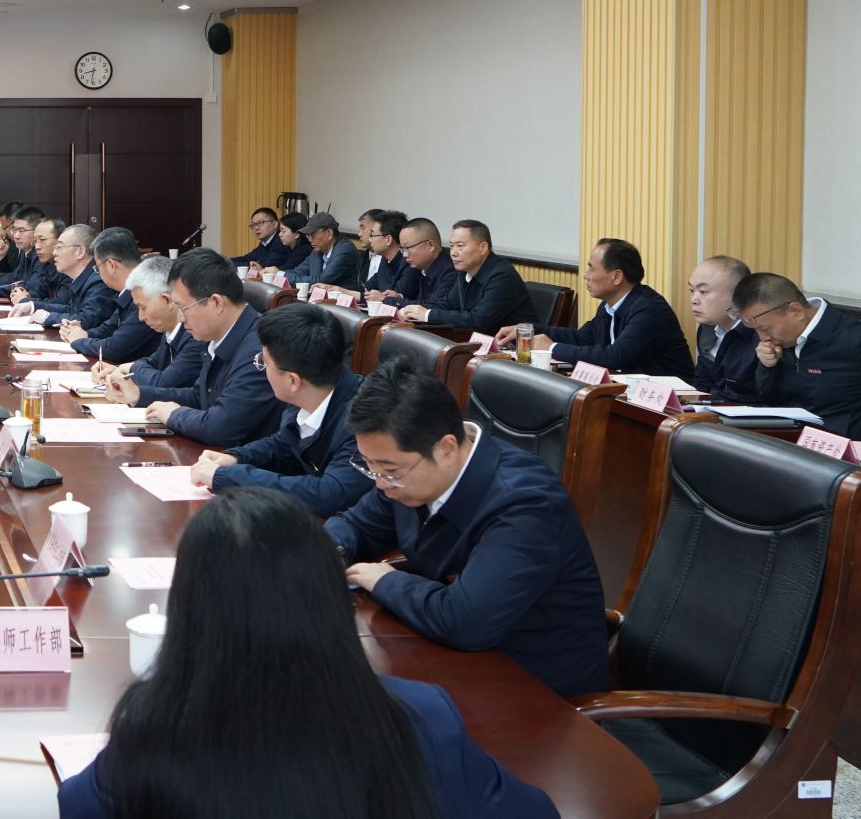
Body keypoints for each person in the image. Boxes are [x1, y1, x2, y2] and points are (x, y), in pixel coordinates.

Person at [58, 487, 557, 819]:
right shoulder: (422, 717)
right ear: (328, 596)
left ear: (190, 609)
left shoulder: (153, 727)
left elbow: (76, 803)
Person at [326, 361, 608, 698]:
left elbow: (466, 621)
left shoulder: (525, 505)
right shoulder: (408, 476)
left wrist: (384, 580)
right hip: (455, 658)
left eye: (388, 470)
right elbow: (356, 523)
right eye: (368, 465)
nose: (379, 482)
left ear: (445, 448)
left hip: (536, 691)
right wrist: (329, 552)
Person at [190, 303, 372, 516]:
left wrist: (228, 478)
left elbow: (328, 494)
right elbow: (283, 445)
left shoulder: (366, 420)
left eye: (263, 363)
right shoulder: (309, 393)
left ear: (293, 380)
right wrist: (237, 458)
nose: (261, 369)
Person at [108, 250, 279, 446]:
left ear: (216, 303)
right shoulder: (217, 336)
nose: (180, 318)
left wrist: (174, 415)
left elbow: (222, 427)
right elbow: (199, 397)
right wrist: (139, 395)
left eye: (183, 308)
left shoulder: (260, 348)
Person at [501, 239, 692, 376]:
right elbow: (582, 338)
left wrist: (552, 347)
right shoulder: (608, 306)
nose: (585, 275)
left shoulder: (649, 309)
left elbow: (614, 357)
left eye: (592, 268)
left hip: (672, 401)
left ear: (617, 277)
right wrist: (529, 330)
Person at [735, 272, 861, 438]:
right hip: (787, 438)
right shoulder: (781, 342)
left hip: (838, 444)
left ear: (796, 311)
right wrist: (768, 367)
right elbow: (769, 400)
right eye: (756, 330)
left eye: (765, 329)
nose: (763, 338)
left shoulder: (853, 339)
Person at [90, 256, 205, 400]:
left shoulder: (195, 335)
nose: (140, 317)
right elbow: (152, 362)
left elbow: (163, 383)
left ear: (167, 300)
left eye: (142, 307)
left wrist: (131, 368)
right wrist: (120, 370)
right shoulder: (169, 330)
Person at [399, 220, 537, 332]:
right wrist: (411, 309)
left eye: (460, 246)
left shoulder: (502, 276)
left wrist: (428, 315)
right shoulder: (465, 270)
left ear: (483, 248)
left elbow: (478, 320)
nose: (453, 253)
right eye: (451, 246)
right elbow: (446, 305)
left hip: (517, 348)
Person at [63, 227, 158, 364]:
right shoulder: (127, 291)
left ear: (111, 265)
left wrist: (79, 340)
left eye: (97, 267)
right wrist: (82, 332)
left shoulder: (144, 294)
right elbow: (109, 327)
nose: (97, 273)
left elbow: (114, 348)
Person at [16, 224, 114, 331]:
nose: (54, 253)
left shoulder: (98, 280)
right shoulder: (83, 277)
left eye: (59, 247)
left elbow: (86, 320)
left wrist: (47, 317)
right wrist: (32, 306)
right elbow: (70, 309)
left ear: (80, 252)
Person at [688, 255, 756, 402]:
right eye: (691, 290)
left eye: (703, 292)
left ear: (738, 295)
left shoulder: (760, 334)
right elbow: (701, 382)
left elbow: (747, 395)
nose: (694, 300)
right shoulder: (707, 329)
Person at [378, 216, 456, 309]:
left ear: (431, 245)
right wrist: (398, 297)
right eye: (402, 249)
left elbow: (433, 307)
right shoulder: (421, 266)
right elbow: (421, 302)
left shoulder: (452, 269)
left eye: (408, 248)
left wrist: (390, 300)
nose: (404, 255)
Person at [286, 211, 359, 289]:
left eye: (313, 234)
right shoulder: (318, 249)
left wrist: (283, 275)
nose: (310, 239)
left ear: (329, 233)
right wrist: (280, 274)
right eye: (308, 235)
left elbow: (321, 281)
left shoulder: (344, 251)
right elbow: (297, 272)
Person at [6, 218, 65, 306]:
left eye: (42, 240)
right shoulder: (47, 264)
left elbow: (61, 304)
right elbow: (37, 292)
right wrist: (21, 293)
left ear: (60, 241)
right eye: (35, 241)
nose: (37, 246)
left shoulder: (69, 267)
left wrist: (26, 301)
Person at [0, 206, 45, 296]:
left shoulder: (41, 254)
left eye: (21, 230)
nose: (16, 236)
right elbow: (16, 277)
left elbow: (32, 289)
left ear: (37, 231)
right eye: (15, 230)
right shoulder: (25, 251)